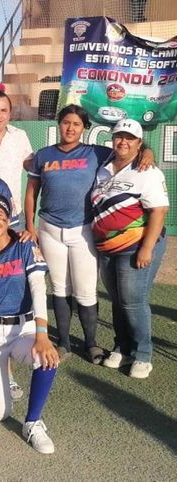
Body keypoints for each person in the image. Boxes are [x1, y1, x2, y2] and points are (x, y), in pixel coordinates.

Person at [24, 105, 154, 364]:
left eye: (76, 124)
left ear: (85, 128)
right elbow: (31, 192)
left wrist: (147, 150)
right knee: (60, 288)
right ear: (59, 125)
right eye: (65, 123)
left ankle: (91, 344)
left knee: (85, 290)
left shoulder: (97, 152)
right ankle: (63, 342)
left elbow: (127, 149)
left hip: (83, 229)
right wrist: (30, 225)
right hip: (50, 228)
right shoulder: (44, 155)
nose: (70, 128)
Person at [0, 194, 60, 454]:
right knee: (1, 412)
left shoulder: (25, 245)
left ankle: (33, 422)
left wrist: (42, 334)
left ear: (8, 219)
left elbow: (39, 288)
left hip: (23, 329)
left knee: (47, 358)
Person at [91, 119, 169, 379]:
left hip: (135, 245)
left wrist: (146, 248)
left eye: (130, 138)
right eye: (118, 137)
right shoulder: (103, 167)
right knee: (118, 301)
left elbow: (159, 210)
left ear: (139, 142)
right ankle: (122, 347)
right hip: (107, 247)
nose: (123, 142)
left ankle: (143, 354)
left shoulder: (147, 170)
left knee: (132, 302)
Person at [0, 89, 33, 230]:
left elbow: (31, 165)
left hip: (14, 217)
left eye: (4, 110)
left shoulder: (19, 136)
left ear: (10, 113)